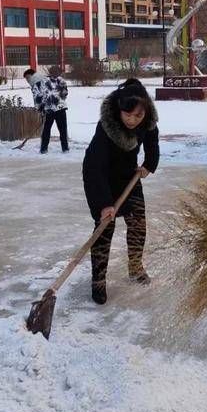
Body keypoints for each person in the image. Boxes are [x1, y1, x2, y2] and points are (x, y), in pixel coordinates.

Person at [82, 78, 159, 304]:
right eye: (128, 115)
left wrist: (148, 165)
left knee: (138, 224)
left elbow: (152, 144)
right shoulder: (107, 127)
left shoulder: (148, 121)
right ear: (120, 109)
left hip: (129, 178)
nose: (133, 120)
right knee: (105, 228)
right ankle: (98, 280)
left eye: (138, 116)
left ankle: (135, 267)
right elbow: (94, 168)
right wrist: (104, 203)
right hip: (103, 178)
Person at [35, 66, 69, 153]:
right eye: (56, 72)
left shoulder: (60, 81)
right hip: (52, 109)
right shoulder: (46, 81)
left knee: (60, 130)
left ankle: (62, 148)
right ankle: (46, 149)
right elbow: (40, 94)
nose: (57, 74)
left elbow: (64, 94)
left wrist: (42, 107)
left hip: (56, 109)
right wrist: (42, 106)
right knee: (50, 130)